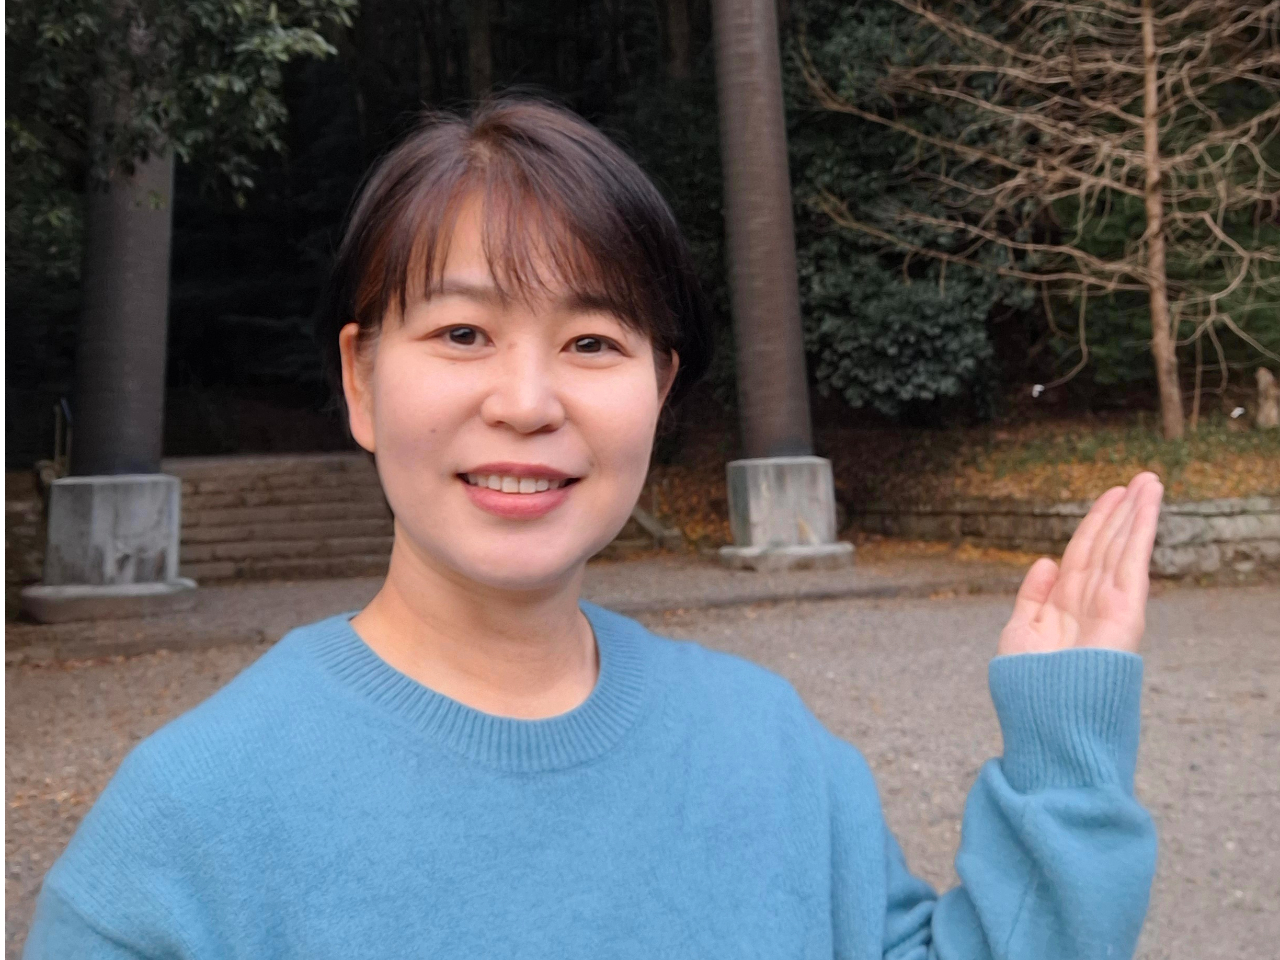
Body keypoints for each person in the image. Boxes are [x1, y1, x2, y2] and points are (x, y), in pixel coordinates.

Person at [23, 97, 1162, 960]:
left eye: (592, 344)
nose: (527, 402)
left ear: (658, 391)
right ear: (360, 382)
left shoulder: (774, 753)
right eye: (462, 334)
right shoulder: (189, 823)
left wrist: (1062, 764)